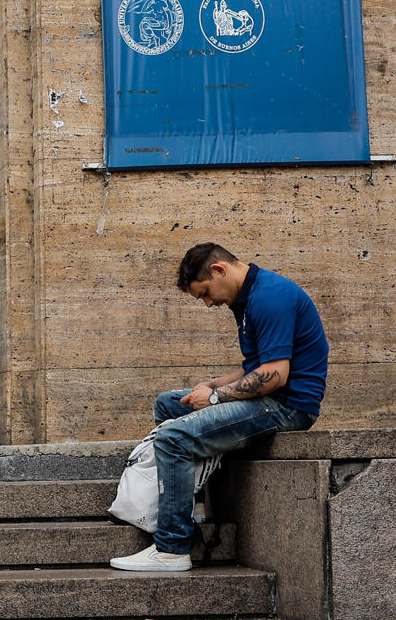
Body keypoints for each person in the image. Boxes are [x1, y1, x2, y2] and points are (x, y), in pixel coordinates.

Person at [110, 242, 327, 573]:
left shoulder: (270, 296)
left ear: (219, 270)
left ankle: (171, 549)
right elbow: (255, 367)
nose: (209, 303)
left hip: (287, 407)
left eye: (205, 294)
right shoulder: (247, 299)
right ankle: (190, 509)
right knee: (170, 404)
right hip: (267, 399)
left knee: (174, 438)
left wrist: (215, 398)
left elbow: (274, 376)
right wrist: (213, 385)